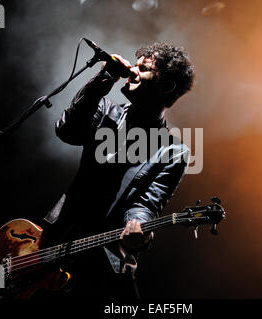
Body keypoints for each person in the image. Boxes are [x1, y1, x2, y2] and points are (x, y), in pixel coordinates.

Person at [41, 42, 194, 299]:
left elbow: (147, 203)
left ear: (167, 86)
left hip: (102, 257)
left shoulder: (174, 152)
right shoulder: (105, 111)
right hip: (58, 237)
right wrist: (103, 79)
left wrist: (138, 226)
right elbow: (67, 131)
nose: (132, 70)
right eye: (135, 64)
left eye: (143, 68)